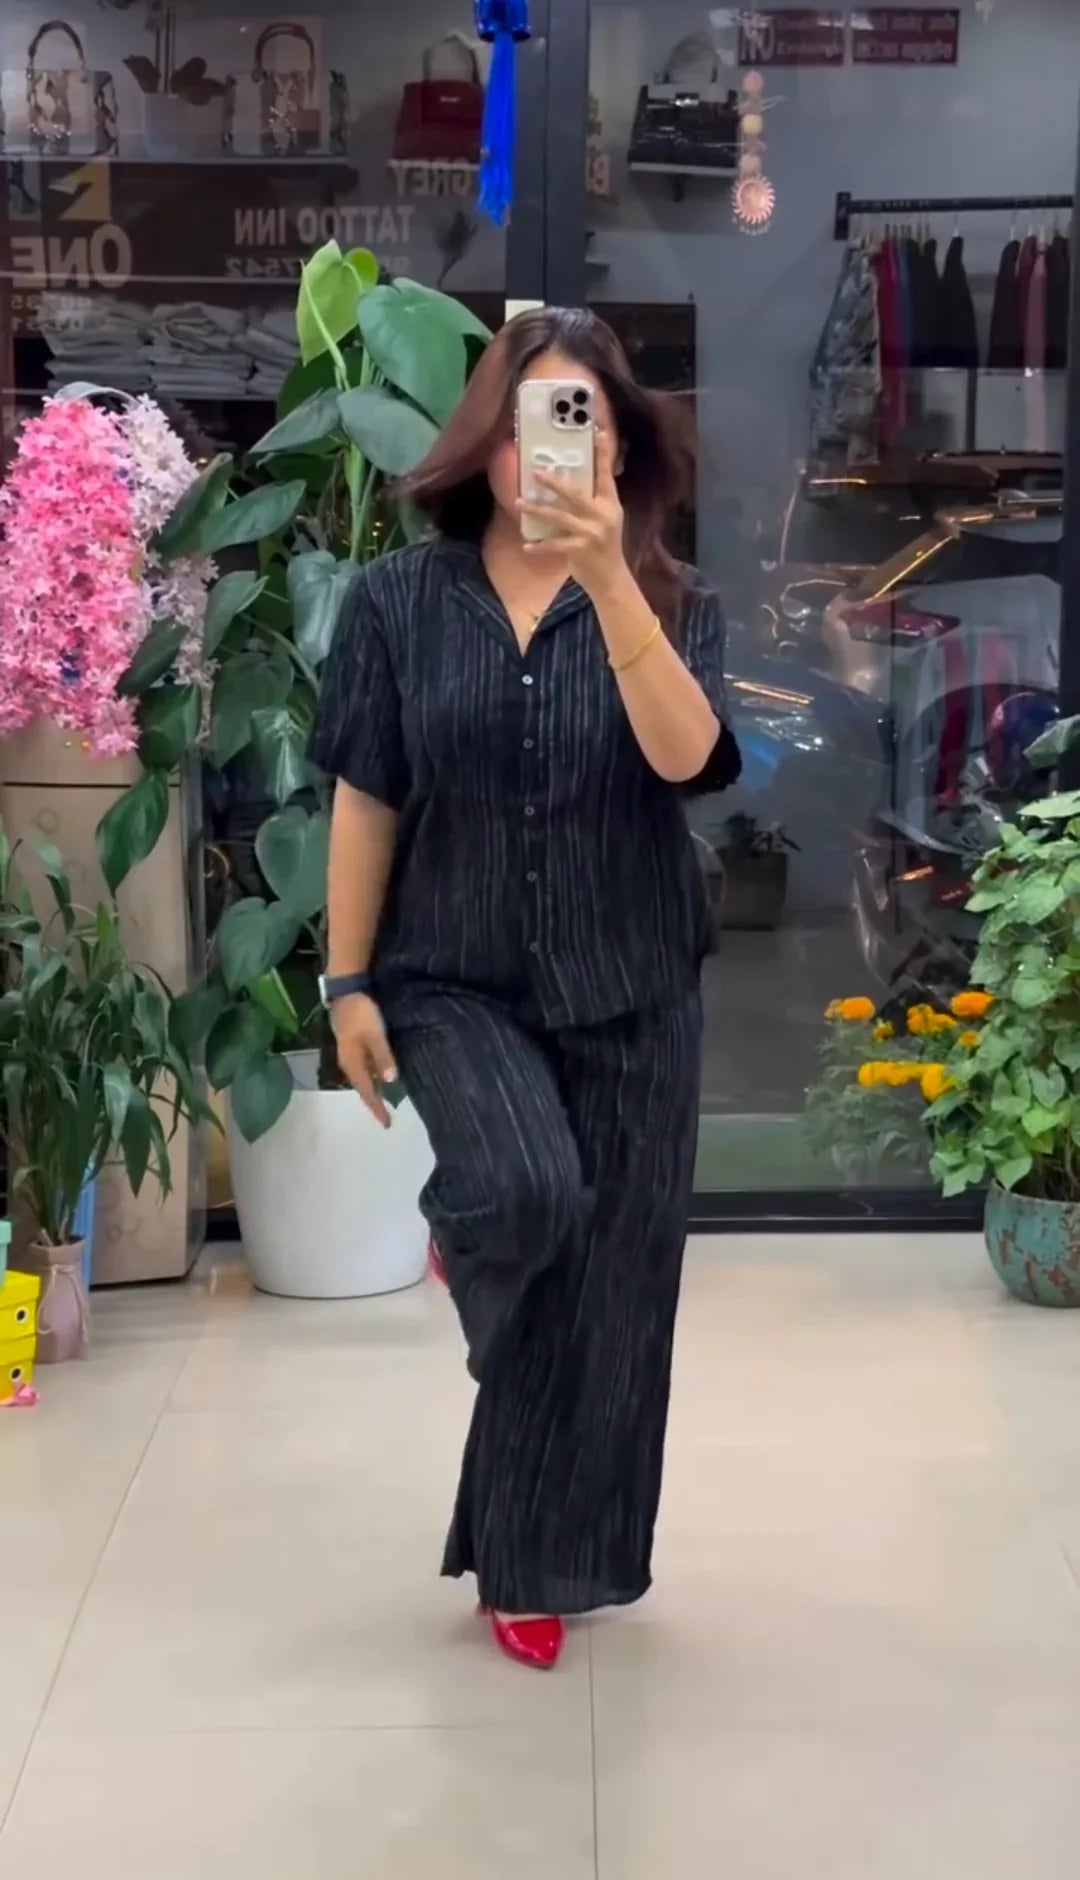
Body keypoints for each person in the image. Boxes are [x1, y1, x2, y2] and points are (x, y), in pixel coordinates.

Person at [309, 306, 740, 1671]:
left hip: (633, 982)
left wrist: (611, 583)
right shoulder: (395, 603)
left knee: (611, 1297)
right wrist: (347, 981)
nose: (545, 448)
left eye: (578, 418)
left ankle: (536, 1563)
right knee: (524, 1198)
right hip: (454, 975)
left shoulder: (673, 601)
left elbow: (688, 763)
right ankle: (482, 1229)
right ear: (483, 444)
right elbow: (366, 796)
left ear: (619, 446)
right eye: (522, 421)